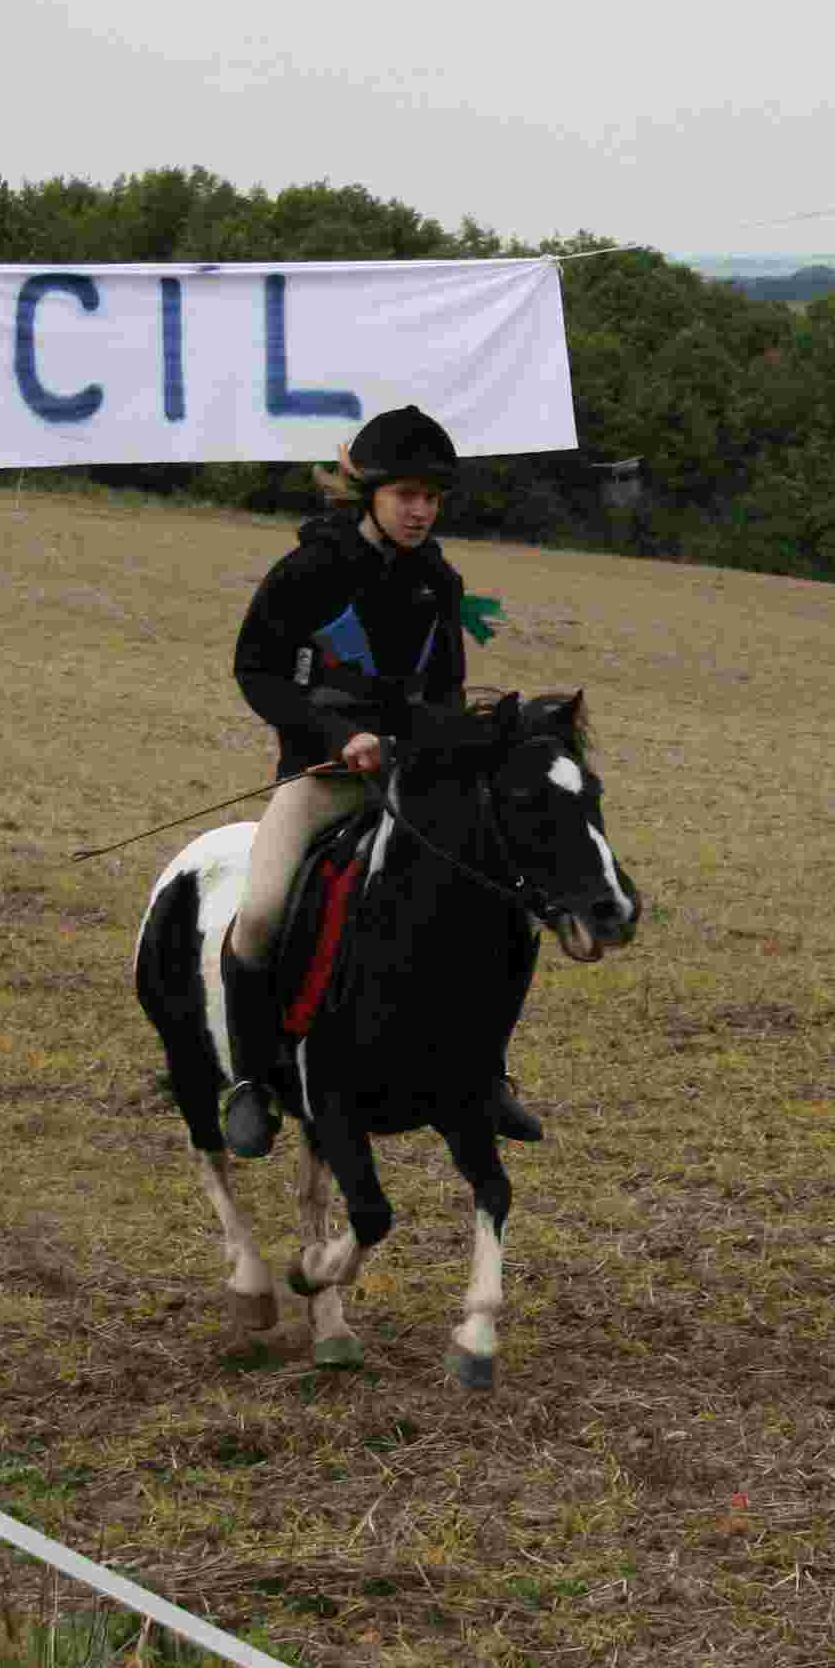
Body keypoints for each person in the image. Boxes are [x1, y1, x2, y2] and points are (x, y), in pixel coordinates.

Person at [218, 405, 543, 1157]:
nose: (422, 511)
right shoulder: (307, 569)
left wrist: (466, 739)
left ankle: (487, 1074)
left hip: (417, 788)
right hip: (321, 777)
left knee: (501, 909)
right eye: (407, 496)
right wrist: (341, 737)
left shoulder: (440, 581)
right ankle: (253, 1082)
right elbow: (256, 671)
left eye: (433, 497)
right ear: (370, 493)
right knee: (263, 912)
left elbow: (447, 694)